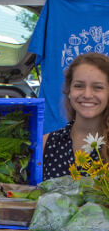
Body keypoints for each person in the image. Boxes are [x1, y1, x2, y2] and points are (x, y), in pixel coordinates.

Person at [43, 52, 109, 180]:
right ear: (69, 91)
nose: (87, 94)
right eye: (79, 86)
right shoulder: (45, 144)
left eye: (98, 87)